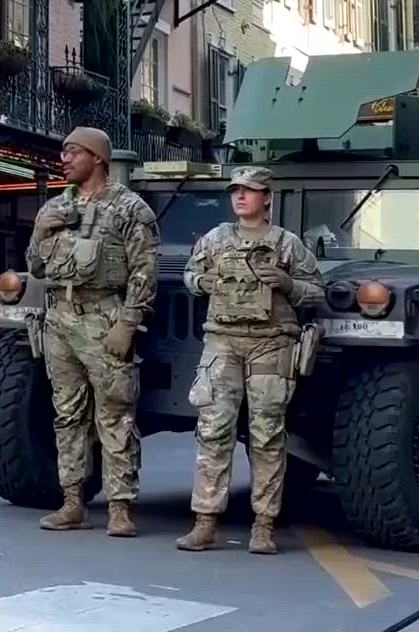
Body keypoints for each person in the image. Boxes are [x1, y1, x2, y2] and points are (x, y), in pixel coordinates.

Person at [10, 126, 157, 538]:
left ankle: (120, 506)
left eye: (74, 152)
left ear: (98, 158)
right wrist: (41, 232)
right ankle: (72, 500)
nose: (64, 158)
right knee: (67, 413)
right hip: (60, 319)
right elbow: (35, 267)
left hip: (105, 317)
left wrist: (128, 324)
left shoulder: (130, 209)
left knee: (115, 412)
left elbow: (144, 272)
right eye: (63, 152)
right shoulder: (55, 206)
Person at [177, 165, 324, 555]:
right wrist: (201, 283)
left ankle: (263, 524)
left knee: (267, 434)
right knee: (213, 431)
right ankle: (205, 521)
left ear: (267, 198)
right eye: (235, 191)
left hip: (270, 345)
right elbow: (190, 274)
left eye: (249, 190)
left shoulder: (287, 244)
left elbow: (317, 292)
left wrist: (289, 284)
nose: (240, 197)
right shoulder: (215, 239)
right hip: (223, 342)